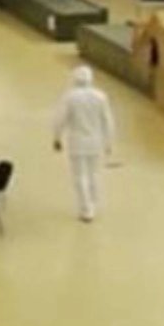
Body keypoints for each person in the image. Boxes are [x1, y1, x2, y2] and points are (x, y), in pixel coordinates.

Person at [51, 65, 116, 223]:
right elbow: (108, 121)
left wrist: (57, 138)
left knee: (80, 176)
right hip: (96, 142)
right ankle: (93, 204)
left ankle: (86, 210)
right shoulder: (101, 97)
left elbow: (60, 119)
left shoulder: (70, 97)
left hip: (77, 143)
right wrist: (109, 142)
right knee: (94, 174)